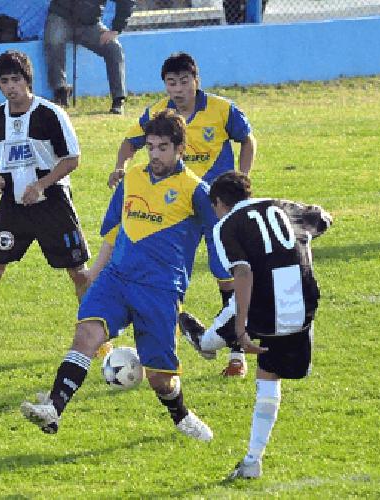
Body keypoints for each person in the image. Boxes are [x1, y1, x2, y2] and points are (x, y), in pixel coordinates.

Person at [21, 109, 243, 440]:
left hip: (160, 290)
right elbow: (113, 231)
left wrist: (230, 285)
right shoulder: (133, 178)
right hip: (117, 278)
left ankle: (181, 415)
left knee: (160, 379)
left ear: (180, 149)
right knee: (87, 336)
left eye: (163, 147)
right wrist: (92, 273)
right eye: (150, 146)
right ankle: (53, 409)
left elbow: (217, 240)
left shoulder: (196, 191)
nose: (154, 154)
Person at [0, 50, 99, 366]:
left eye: (16, 80)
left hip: (52, 205)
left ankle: (101, 341)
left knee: (78, 273)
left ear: (28, 80)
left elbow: (72, 159)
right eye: (4, 81)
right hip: (13, 208)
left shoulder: (50, 114)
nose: (11, 87)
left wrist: (41, 185)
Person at [107, 51, 257, 377]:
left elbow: (248, 140)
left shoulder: (221, 109)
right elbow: (129, 141)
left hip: (215, 206)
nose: (178, 89)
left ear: (196, 80)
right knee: (165, 272)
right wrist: (121, 166)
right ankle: (180, 325)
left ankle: (236, 353)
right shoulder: (158, 113)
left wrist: (241, 179)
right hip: (174, 210)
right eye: (171, 83)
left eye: (184, 81)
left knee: (227, 274)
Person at [177, 171, 330, 480]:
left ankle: (201, 340)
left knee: (219, 338)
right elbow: (323, 218)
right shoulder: (284, 207)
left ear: (219, 203)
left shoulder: (227, 226)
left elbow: (243, 274)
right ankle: (251, 462)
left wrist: (243, 327)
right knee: (271, 373)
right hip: (305, 304)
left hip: (264, 306)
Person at [44, 0, 134, 114]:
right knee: (54, 40)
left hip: (90, 24)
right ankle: (60, 91)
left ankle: (118, 100)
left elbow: (126, 2)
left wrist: (116, 29)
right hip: (60, 17)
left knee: (114, 48)